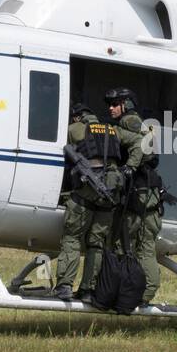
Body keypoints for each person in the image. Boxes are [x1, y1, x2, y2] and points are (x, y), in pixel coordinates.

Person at [53, 101, 144, 302]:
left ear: (77, 117)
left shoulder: (75, 128)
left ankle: (65, 286)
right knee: (96, 243)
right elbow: (140, 143)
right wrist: (130, 167)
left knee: (72, 238)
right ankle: (87, 290)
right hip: (109, 191)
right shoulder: (113, 129)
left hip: (85, 190)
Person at [105, 87, 163, 306]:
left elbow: (141, 148)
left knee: (128, 244)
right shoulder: (139, 122)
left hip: (140, 195)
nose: (110, 108)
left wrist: (127, 168)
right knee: (144, 246)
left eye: (114, 104)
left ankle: (136, 292)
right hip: (149, 195)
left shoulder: (129, 122)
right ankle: (144, 292)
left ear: (126, 104)